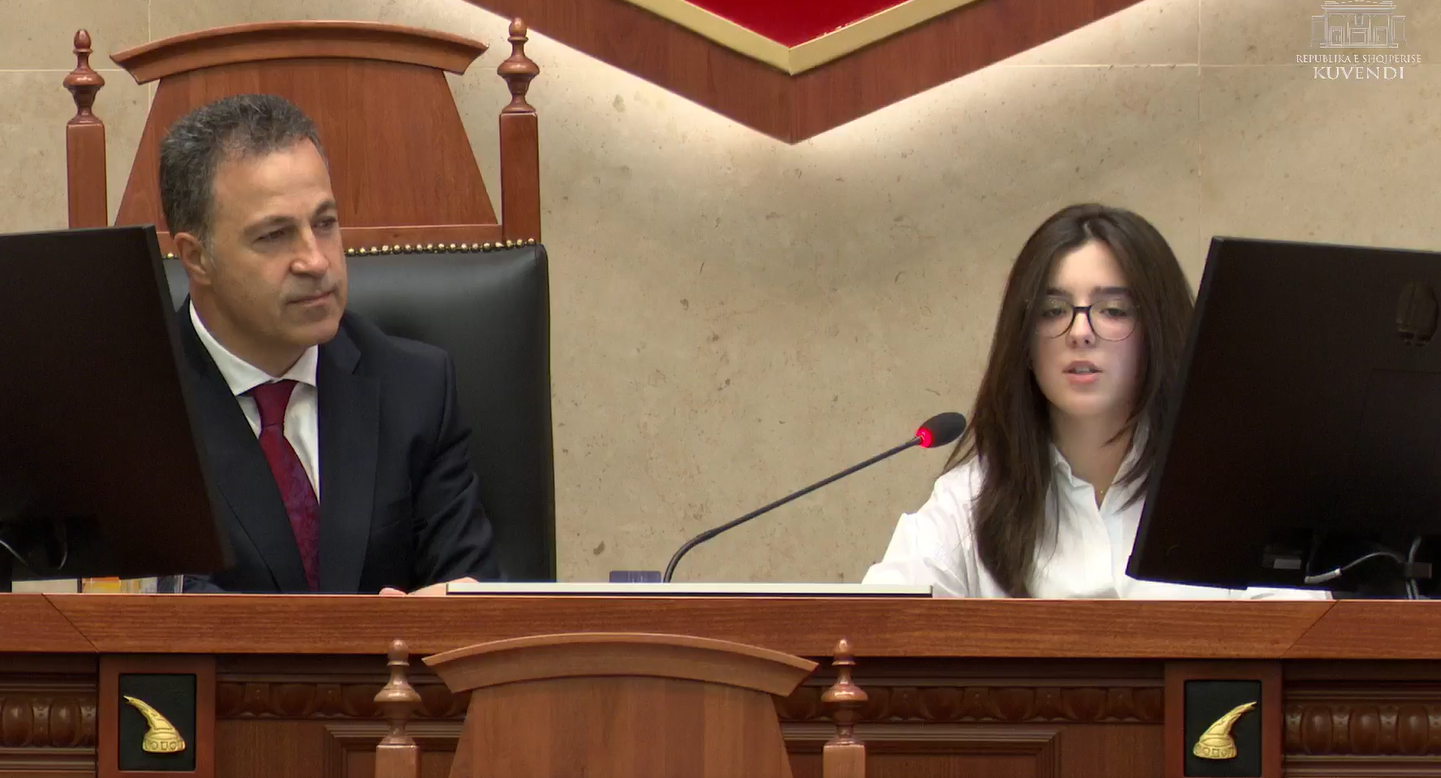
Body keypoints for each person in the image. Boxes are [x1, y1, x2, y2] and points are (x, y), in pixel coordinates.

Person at [862, 204, 1328, 599]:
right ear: (1024, 342)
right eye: (1053, 311)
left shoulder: (1236, 491)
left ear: (1156, 332)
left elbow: (1302, 648)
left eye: (1113, 310)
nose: (1080, 332)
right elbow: (870, 630)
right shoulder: (971, 500)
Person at [160, 93, 501, 594]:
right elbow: (154, 612)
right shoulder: (131, 411)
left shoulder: (417, 390)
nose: (316, 261)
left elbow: (473, 596)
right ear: (196, 258)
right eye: (274, 235)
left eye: (324, 224)